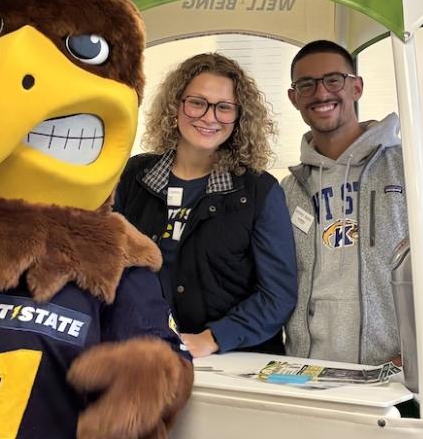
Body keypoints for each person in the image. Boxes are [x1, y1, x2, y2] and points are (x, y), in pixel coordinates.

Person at [282, 40, 423, 365]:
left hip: (396, 369)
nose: (321, 93)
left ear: (356, 87)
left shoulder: (417, 173)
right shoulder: (289, 190)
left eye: (333, 80)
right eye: (306, 85)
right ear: (294, 98)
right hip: (309, 371)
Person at [114, 52, 297, 358]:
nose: (209, 117)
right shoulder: (134, 176)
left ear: (239, 118)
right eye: (197, 103)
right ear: (176, 105)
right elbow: (107, 264)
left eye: (224, 107)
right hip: (143, 354)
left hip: (232, 363)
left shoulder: (259, 191)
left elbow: (277, 295)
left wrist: (213, 338)